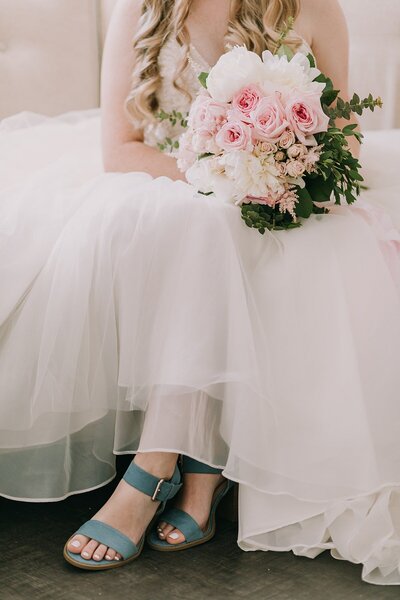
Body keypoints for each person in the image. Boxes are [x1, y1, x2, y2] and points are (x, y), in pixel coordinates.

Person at [1, 0, 400, 584]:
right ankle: (201, 469)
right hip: (170, 179)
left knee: (235, 234)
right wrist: (233, 176)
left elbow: (344, 134)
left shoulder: (315, 8)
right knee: (201, 226)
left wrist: (288, 174)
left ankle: (157, 466)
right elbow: (120, 150)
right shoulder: (140, 9)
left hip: (279, 193)